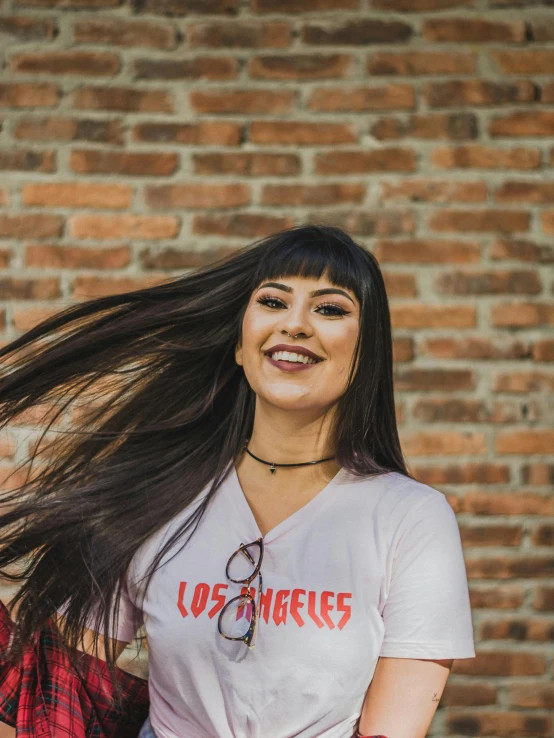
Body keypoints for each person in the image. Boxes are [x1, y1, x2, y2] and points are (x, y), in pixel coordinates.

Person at [0, 224, 475, 738]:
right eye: (273, 302)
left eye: (330, 309)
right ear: (239, 345)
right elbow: (63, 701)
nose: (295, 324)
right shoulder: (157, 494)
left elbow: (391, 732)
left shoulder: (412, 519)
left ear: (365, 354)